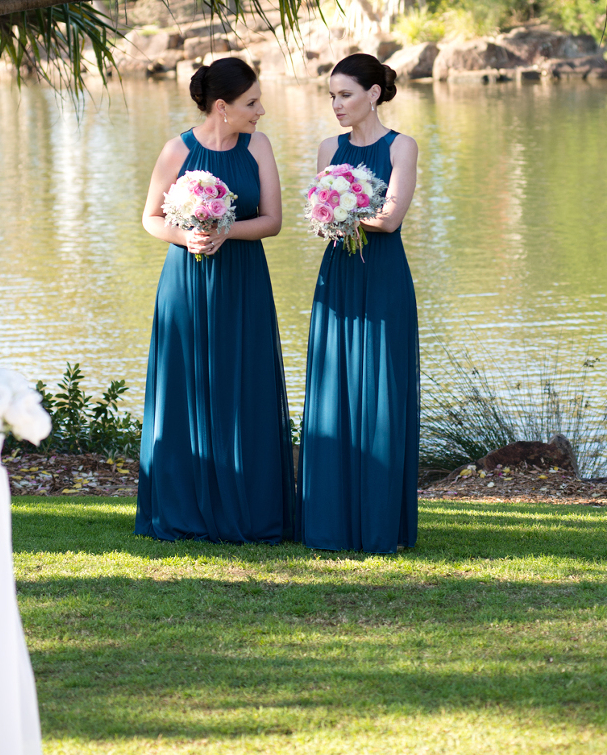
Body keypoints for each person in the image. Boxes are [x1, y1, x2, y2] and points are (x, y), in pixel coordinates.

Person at [135, 56, 295, 544]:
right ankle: (185, 509)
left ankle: (252, 509)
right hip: (187, 282)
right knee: (186, 387)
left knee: (246, 384)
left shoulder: (258, 146)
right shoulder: (176, 150)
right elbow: (151, 218)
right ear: (222, 106)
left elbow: (272, 220)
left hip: (244, 280)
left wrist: (225, 231)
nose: (261, 111)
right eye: (252, 103)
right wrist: (187, 237)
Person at [296, 53, 420, 553]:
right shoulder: (329, 148)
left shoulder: (402, 146)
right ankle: (331, 520)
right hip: (340, 277)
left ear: (373, 94)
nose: (336, 105)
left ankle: (379, 523)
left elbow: (390, 220)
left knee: (383, 391)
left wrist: (343, 211)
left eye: (345, 94)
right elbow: (320, 219)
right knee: (336, 388)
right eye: (332, 96)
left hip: (384, 276)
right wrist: (331, 214)